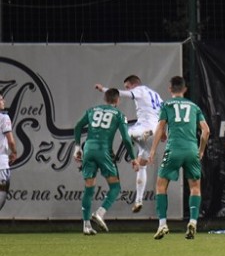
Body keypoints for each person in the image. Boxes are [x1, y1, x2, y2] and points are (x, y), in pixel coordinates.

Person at [144, 76, 210, 240]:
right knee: (195, 187)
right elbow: (206, 131)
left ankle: (162, 224)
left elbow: (160, 127)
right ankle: (193, 222)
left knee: (161, 185)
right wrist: (201, 150)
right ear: (185, 89)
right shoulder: (194, 106)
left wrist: (153, 150)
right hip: (191, 150)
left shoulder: (167, 105)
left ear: (170, 89)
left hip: (173, 149)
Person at [95, 75, 164, 212]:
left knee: (125, 133)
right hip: (155, 131)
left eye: (128, 86)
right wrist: (164, 131)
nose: (127, 89)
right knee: (141, 166)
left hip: (144, 128)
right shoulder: (157, 96)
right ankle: (138, 201)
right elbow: (164, 114)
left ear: (134, 84)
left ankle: (141, 135)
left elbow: (119, 93)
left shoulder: (140, 90)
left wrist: (103, 89)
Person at [72, 87, 136, 235]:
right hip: (104, 151)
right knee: (115, 187)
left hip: (88, 149)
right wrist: (133, 158)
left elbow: (78, 126)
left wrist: (77, 147)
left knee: (89, 188)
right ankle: (100, 213)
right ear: (117, 100)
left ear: (104, 99)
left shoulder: (92, 110)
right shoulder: (119, 115)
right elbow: (126, 139)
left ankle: (86, 225)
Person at [0, 94, 16, 213]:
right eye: (0, 99)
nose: (3, 101)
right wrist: (14, 152)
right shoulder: (4, 118)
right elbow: (10, 141)